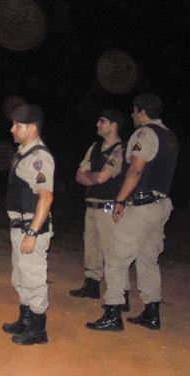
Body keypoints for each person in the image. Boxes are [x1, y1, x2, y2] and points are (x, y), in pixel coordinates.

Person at [86, 94, 178, 332]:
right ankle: (151, 312)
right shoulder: (170, 137)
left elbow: (136, 170)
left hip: (141, 206)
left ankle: (113, 312)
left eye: (134, 111)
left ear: (142, 112)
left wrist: (119, 200)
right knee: (148, 260)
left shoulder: (144, 134)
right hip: (161, 205)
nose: (133, 115)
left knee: (116, 258)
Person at [1, 104, 55, 346]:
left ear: (32, 128)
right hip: (20, 226)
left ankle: (38, 329)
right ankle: (25, 320)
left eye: (17, 125)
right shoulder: (23, 153)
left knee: (33, 278)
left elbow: (46, 197)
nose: (12, 129)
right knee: (20, 276)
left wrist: (32, 232)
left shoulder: (39, 158)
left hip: (31, 228)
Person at [70, 109, 131, 311]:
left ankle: (121, 294)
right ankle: (92, 285)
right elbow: (78, 175)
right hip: (92, 204)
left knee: (112, 251)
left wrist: (90, 176)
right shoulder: (95, 147)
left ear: (114, 125)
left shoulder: (120, 149)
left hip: (109, 206)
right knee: (91, 248)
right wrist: (93, 177)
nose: (98, 124)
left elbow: (103, 177)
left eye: (102, 121)